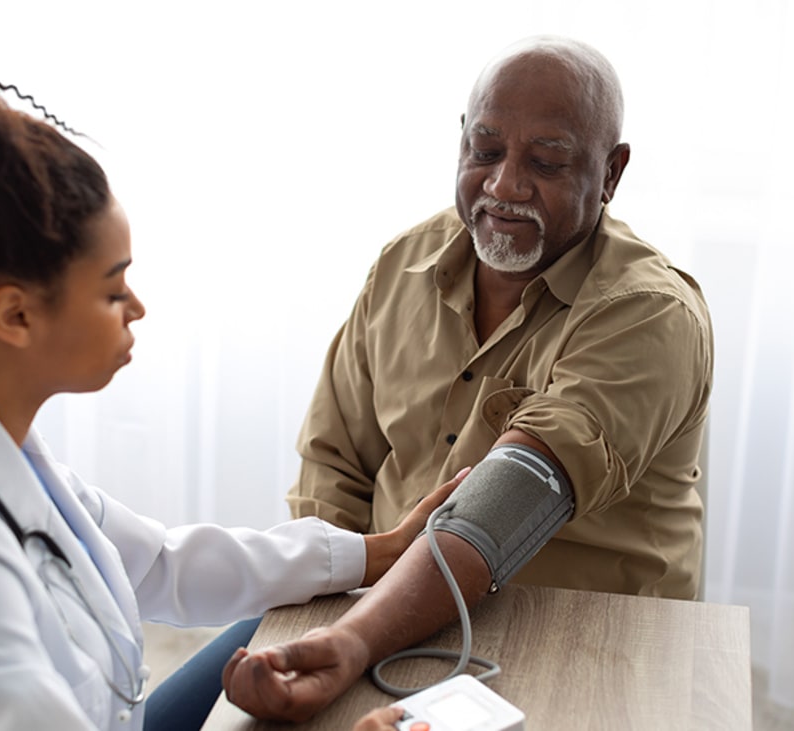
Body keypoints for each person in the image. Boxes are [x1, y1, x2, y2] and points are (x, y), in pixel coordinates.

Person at [0, 72, 467, 731]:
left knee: (291, 621)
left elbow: (160, 562)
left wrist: (378, 551)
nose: (137, 308)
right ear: (15, 315)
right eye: (111, 288)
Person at [225, 35, 713, 723]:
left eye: (545, 160)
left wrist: (350, 640)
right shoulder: (405, 263)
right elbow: (333, 463)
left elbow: (510, 500)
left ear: (611, 173)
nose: (504, 184)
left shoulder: (648, 313)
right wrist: (322, 612)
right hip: (369, 607)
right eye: (484, 150)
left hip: (579, 643)